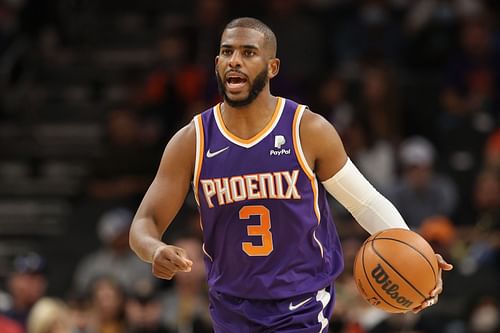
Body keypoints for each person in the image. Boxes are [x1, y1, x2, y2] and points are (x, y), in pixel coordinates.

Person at [129, 17, 453, 332]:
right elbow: (145, 223)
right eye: (227, 52)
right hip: (230, 305)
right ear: (216, 63)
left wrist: (415, 250)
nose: (235, 61)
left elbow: (365, 203)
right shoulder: (192, 140)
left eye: (249, 52)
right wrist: (154, 249)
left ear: (273, 67)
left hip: (301, 303)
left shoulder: (307, 130)